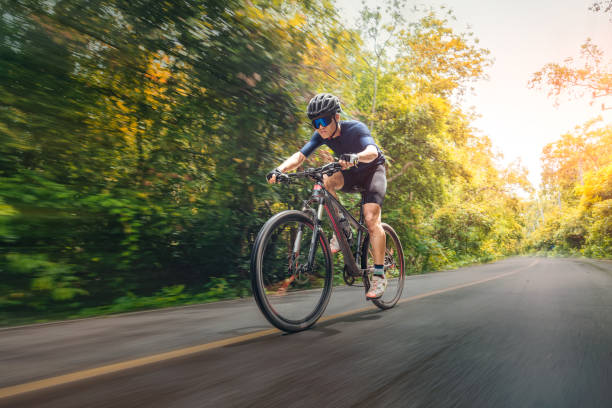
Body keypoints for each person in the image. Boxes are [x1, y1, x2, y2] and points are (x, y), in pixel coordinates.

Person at [266, 93, 388, 300]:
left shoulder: (355, 129)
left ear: (336, 118)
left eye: (324, 120)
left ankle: (379, 274)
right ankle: (342, 230)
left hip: (372, 172)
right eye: (315, 122)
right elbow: (300, 156)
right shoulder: (320, 135)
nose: (320, 126)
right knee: (326, 179)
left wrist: (356, 157)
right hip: (349, 174)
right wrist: (279, 169)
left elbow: (372, 151)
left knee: (370, 219)